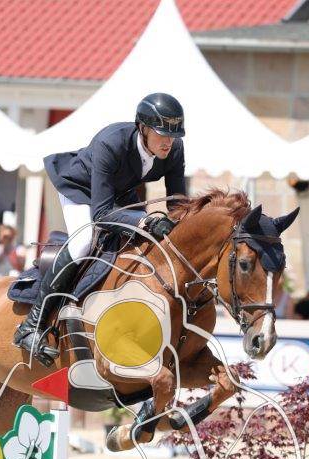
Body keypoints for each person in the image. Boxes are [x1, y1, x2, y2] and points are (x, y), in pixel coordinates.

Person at [14, 92, 188, 364]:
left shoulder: (174, 150)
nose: (168, 141)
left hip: (118, 194)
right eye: (162, 134)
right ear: (143, 128)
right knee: (84, 241)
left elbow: (178, 203)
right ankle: (31, 325)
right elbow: (101, 214)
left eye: (174, 135)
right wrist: (144, 221)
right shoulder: (112, 142)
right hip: (80, 190)